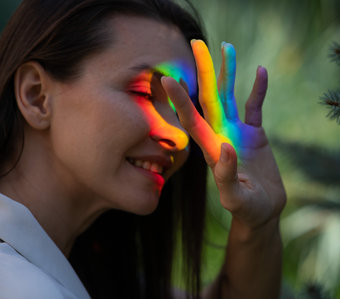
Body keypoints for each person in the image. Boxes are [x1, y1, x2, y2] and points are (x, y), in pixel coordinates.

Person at [0, 0, 286, 298]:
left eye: (181, 108)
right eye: (143, 92)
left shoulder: (80, 268)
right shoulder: (23, 286)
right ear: (36, 96)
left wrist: (257, 225)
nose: (180, 135)